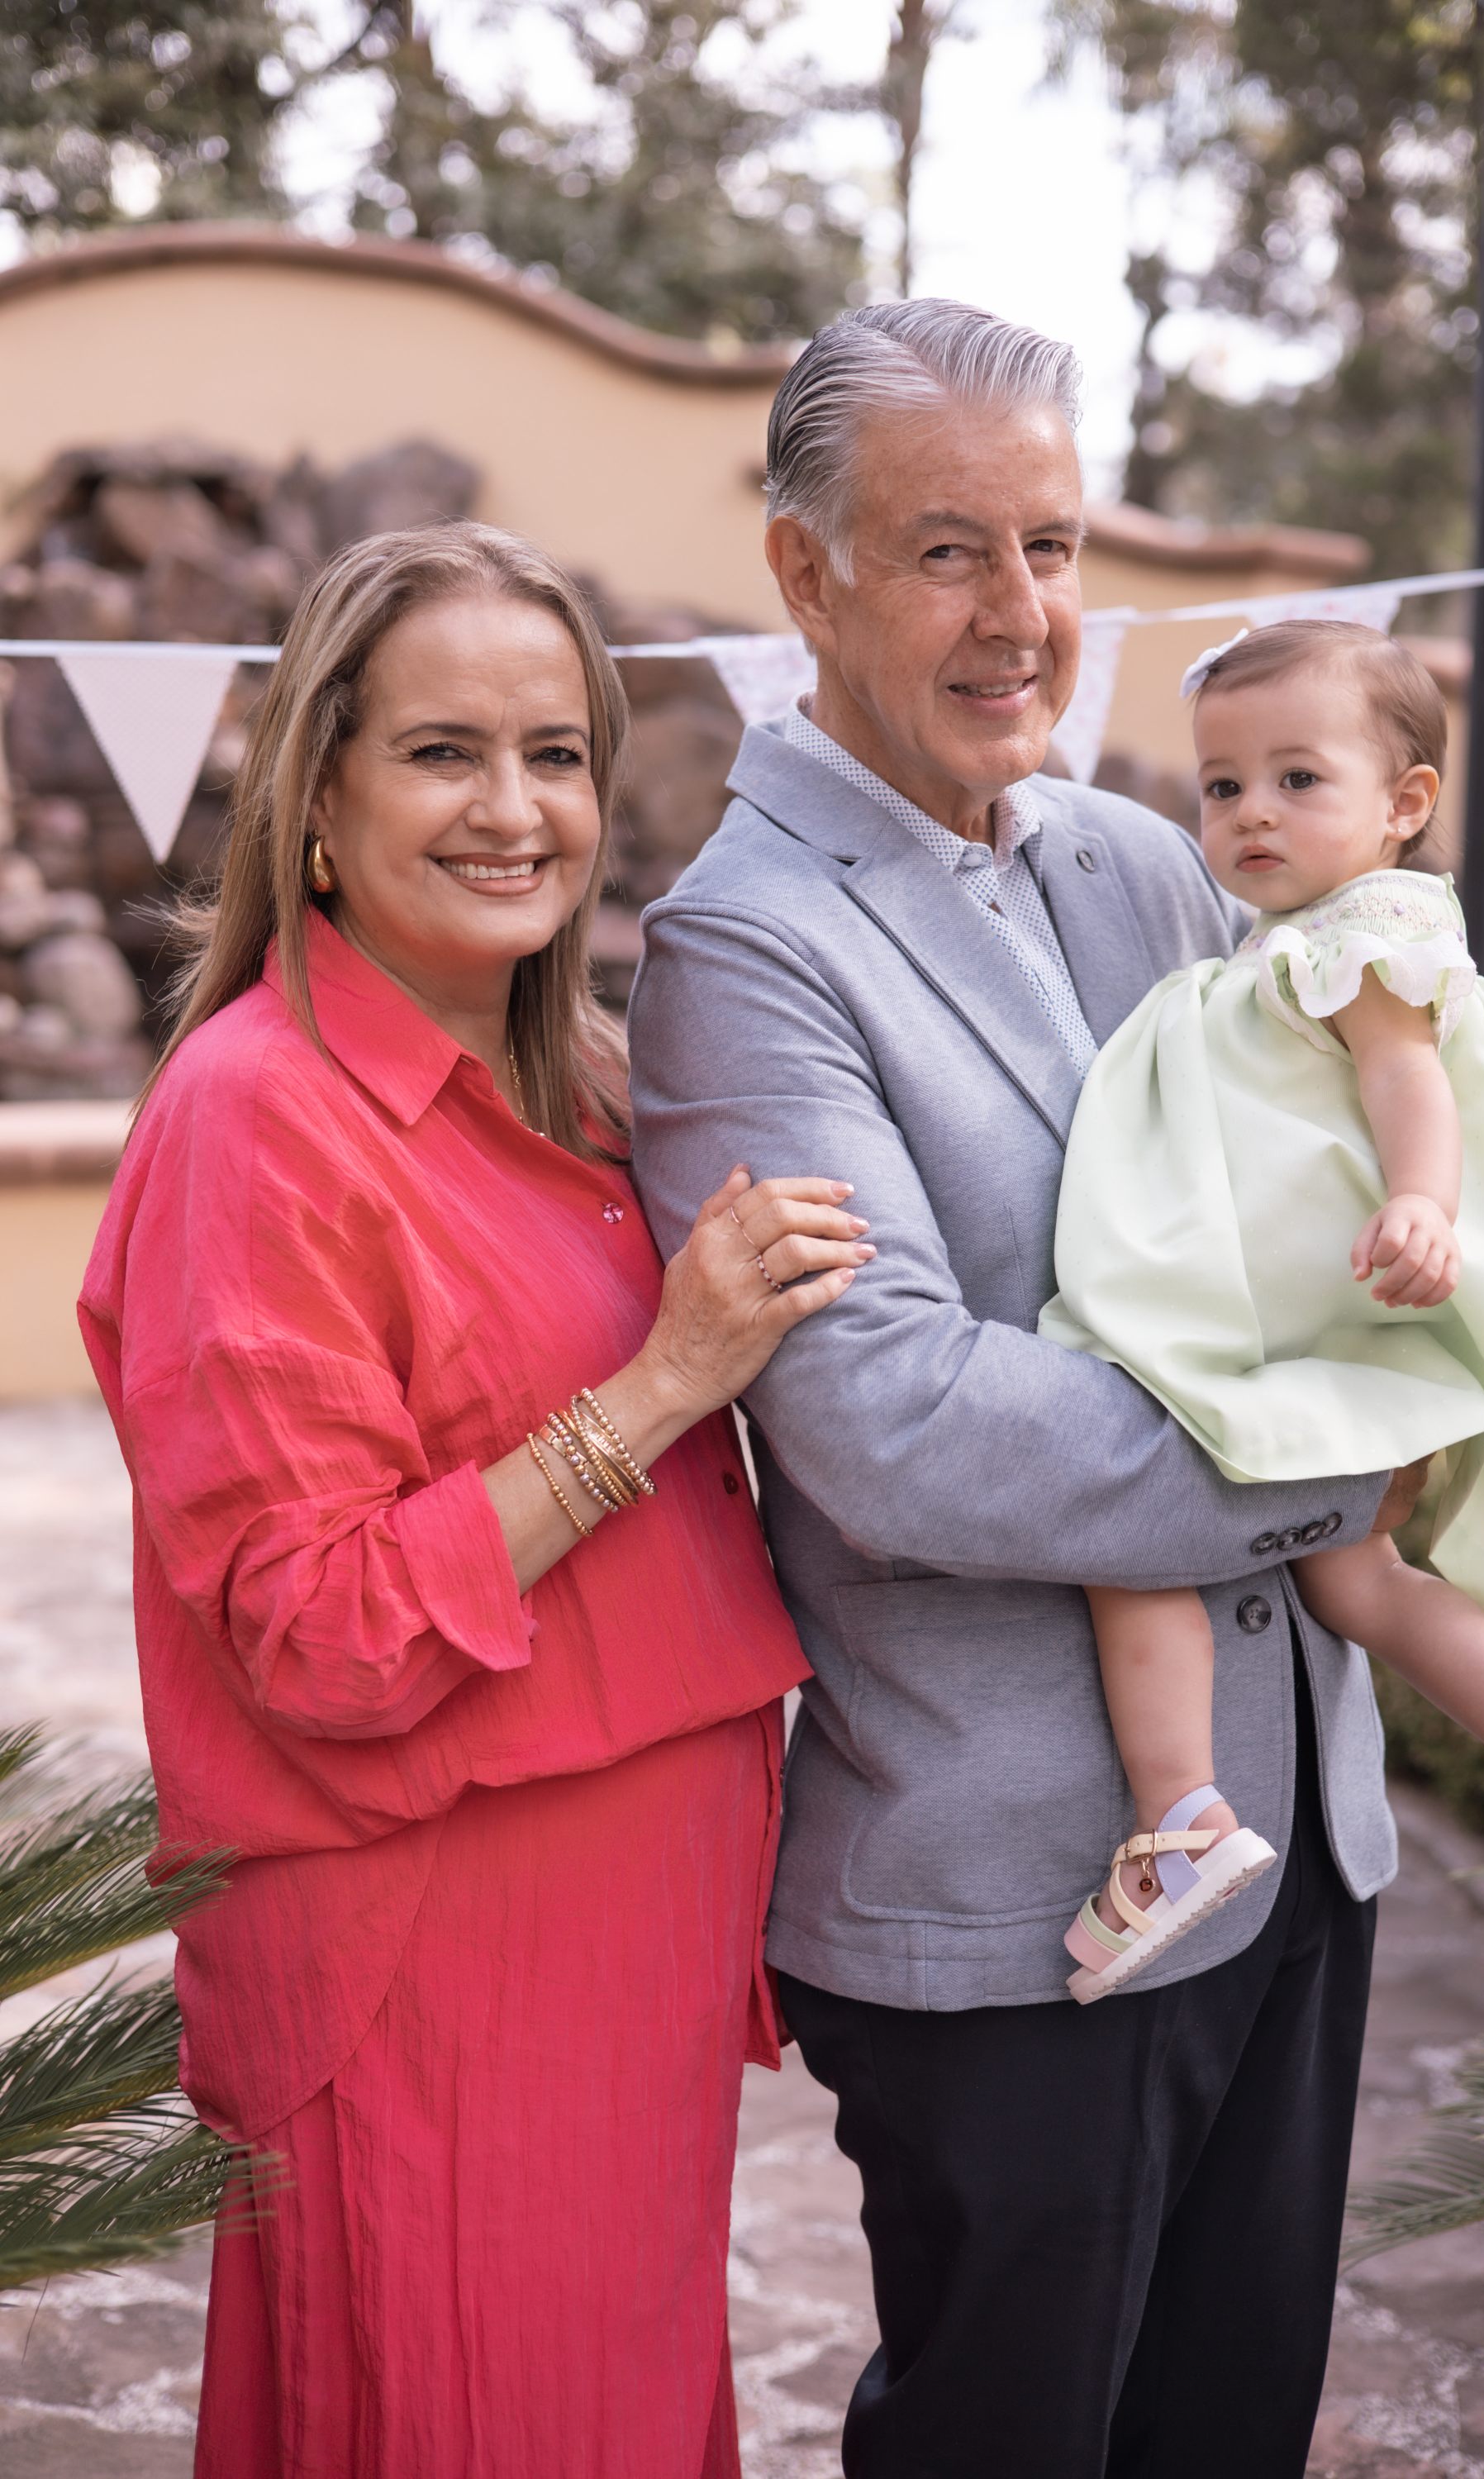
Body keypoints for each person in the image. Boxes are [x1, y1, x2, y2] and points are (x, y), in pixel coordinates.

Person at [628, 297, 1421, 2479]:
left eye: (1053, 548)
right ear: (805, 576)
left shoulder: (1148, 861)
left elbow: (1317, 1206)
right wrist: (1339, 1463)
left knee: (1225, 2437)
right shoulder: (742, 947)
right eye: (948, 550)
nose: (1020, 614)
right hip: (1015, 1904)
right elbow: (895, 1419)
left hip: (1299, 1836)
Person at [78, 521, 873, 2479]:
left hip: (633, 1932)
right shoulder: (258, 1117)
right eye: (443, 752)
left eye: (556, 755)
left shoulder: (591, 1083)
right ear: (318, 800)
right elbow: (321, 1631)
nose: (514, 812)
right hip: (430, 1950)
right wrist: (664, 1382)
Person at [1046, 619, 1484, 2002]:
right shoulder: (1287, 944)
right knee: (1353, 1576)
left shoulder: (1365, 942)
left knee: (1121, 1526)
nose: (1250, 811)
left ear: (1406, 803)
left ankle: (1181, 1818)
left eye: (1297, 779)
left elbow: (1406, 1081)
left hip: (1278, 1334)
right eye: (1222, 785)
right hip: (1306, 1345)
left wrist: (1425, 1200)